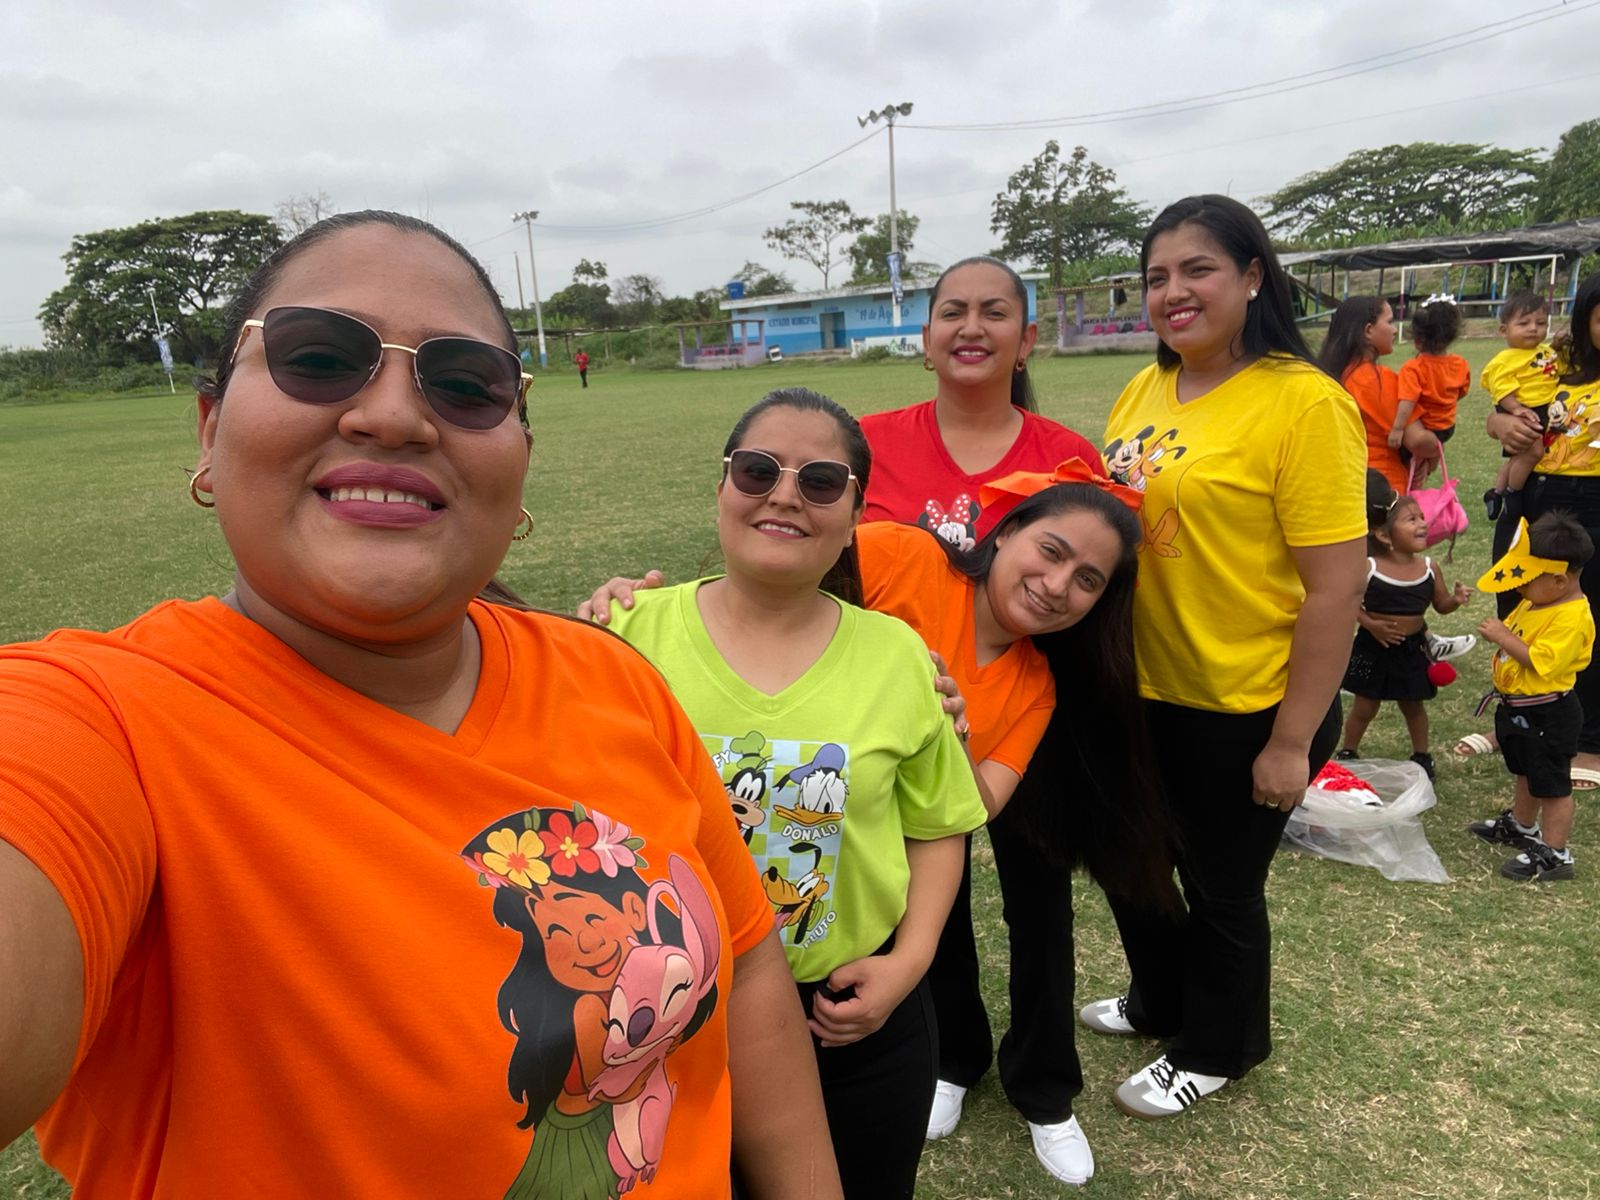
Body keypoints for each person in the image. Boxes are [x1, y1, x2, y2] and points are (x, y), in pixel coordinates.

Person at [0, 212, 841, 1200]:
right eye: (319, 358)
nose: (395, 415)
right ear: (209, 429)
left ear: (519, 460)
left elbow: (748, 968)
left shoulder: (614, 681)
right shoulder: (104, 722)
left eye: (466, 383)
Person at [581, 449, 1158, 1189]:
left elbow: (974, 806)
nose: (1056, 585)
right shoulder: (908, 557)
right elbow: (785, 572)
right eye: (1051, 551)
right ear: (1007, 531)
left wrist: (943, 729)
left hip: (861, 886)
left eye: (1087, 581)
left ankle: (988, 1080)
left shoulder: (1035, 685)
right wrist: (636, 601)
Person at [593, 388, 985, 1200]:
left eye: (820, 481)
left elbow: (938, 825)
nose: (783, 495)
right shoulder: (623, 638)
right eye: (757, 470)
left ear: (857, 512)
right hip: (662, 1017)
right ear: (722, 485)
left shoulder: (898, 655)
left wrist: (908, 963)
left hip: (849, 1017)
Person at [856, 256, 1166, 1187]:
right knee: (928, 893)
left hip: (1027, 700)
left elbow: (1096, 583)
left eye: (995, 312)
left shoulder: (1067, 454)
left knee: (1039, 903)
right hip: (892, 722)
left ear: (1027, 338)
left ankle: (1045, 1085)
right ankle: (954, 1055)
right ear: (925, 336)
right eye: (952, 311)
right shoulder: (871, 441)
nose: (972, 327)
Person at [1086, 194, 1366, 1118]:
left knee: (1221, 887)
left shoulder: (1304, 403)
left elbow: (1336, 590)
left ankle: (1218, 1048)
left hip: (1244, 700)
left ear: (1252, 277)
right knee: (1134, 863)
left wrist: (1290, 742)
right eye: (1156, 276)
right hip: (1142, 686)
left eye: (1197, 269)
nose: (1173, 292)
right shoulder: (1145, 389)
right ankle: (1159, 1000)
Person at [1483, 273, 1600, 790]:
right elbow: (1501, 414)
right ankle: (1515, 714)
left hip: (1593, 499)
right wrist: (1500, 424)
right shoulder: (1557, 358)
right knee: (1518, 604)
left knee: (1584, 615)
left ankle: (1588, 739)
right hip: (1535, 495)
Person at [1468, 512, 1595, 881]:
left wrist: (1502, 637)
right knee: (1526, 769)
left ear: (1559, 580)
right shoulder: (1537, 600)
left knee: (1552, 783)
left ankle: (1555, 853)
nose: (1520, 588)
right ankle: (1522, 825)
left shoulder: (1572, 617)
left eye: (1527, 580)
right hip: (1520, 710)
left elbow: (1541, 662)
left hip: (1549, 713)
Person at [1334, 470, 1473, 780]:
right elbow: (1349, 602)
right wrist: (1371, 625)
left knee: (1413, 706)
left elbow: (1440, 606)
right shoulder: (1369, 567)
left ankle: (1421, 756)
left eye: (1422, 517)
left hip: (1412, 650)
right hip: (1373, 647)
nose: (1422, 523)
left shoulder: (1429, 568)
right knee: (1364, 706)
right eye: (1411, 520)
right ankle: (1348, 751)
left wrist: (1455, 599)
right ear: (1384, 536)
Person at [1318, 295, 1437, 496]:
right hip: (1384, 489)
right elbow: (1418, 441)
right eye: (1389, 322)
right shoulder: (1377, 380)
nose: (1395, 330)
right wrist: (1435, 448)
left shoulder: (1327, 376)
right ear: (1368, 331)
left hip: (1342, 487)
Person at [1482, 291, 1560, 522]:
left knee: (1517, 459)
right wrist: (1516, 409)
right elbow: (1501, 388)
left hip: (1540, 409)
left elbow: (1551, 365)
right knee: (1533, 453)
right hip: (1522, 410)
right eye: (1524, 323)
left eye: (1541, 323)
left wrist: (1557, 345)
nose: (1533, 328)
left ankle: (1495, 493)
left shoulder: (1544, 351)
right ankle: (1513, 494)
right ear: (1504, 330)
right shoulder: (1505, 359)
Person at [1396, 294, 1469, 448]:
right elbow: (1461, 392)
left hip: (1424, 427)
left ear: (1417, 341)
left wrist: (1397, 429)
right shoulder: (1460, 363)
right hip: (1447, 427)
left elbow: (1407, 402)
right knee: (1434, 449)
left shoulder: (1413, 368)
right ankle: (1433, 458)